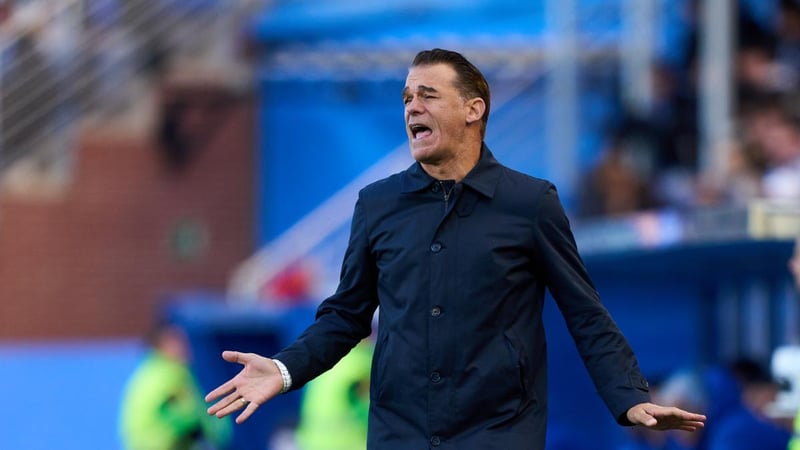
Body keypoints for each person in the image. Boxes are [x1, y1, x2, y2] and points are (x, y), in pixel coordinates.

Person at [205, 48, 706, 449]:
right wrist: (285, 368)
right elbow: (345, 316)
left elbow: (584, 312)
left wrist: (629, 397)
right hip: (401, 436)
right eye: (406, 98)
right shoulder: (377, 204)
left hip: (499, 434)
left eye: (428, 95)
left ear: (473, 109)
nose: (412, 107)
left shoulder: (529, 202)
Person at [120, 322, 231, 450]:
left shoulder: (149, 371)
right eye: (178, 342)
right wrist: (210, 432)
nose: (186, 347)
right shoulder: (170, 374)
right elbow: (186, 411)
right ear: (163, 345)